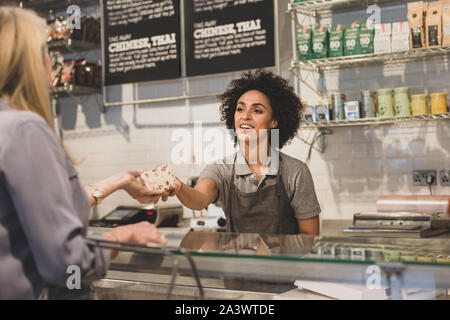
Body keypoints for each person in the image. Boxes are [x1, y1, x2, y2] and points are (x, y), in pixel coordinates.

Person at [0, 6, 167, 300]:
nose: (51, 66)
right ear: (30, 63)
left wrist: (117, 181)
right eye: (47, 55)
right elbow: (64, 264)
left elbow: (27, 209)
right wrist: (125, 235)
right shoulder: (24, 129)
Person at [167, 70, 321, 235]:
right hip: (240, 260)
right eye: (240, 109)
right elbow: (199, 198)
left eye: (257, 111)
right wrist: (179, 187)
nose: (245, 116)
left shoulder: (296, 172)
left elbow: (309, 237)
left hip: (283, 261)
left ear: (274, 121)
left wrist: (273, 249)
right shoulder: (222, 169)